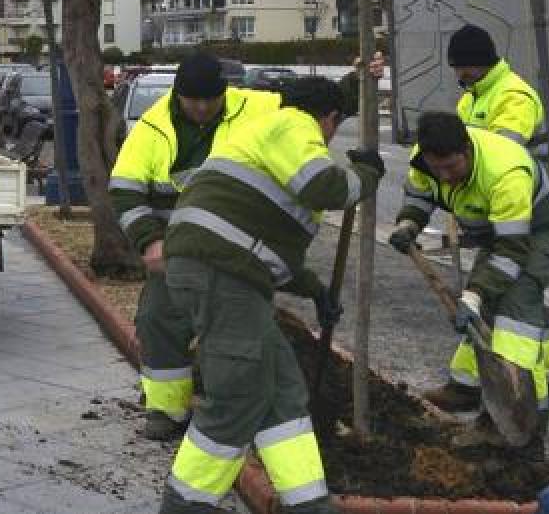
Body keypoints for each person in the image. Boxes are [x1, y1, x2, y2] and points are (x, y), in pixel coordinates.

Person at [157, 76, 383, 514]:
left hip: (218, 271)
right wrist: (367, 174)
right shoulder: (295, 125)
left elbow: (256, 240)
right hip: (222, 277)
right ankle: (186, 504)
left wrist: (315, 290)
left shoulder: (262, 132)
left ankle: (309, 504)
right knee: (237, 395)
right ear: (329, 119)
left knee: (282, 393)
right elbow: (326, 187)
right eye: (334, 128)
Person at [110, 51, 281, 440]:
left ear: (225, 92)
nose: (203, 108)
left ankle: (239, 412)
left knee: (240, 330)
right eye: (194, 100)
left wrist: (360, 79)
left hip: (241, 249)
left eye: (211, 99)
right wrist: (150, 242)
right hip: (177, 252)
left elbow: (314, 107)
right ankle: (168, 410)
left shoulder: (257, 108)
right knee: (158, 320)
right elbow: (124, 191)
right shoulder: (152, 127)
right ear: (177, 95)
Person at [387, 112, 549, 450]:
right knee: (482, 304)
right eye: (438, 169)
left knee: (515, 312)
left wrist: (475, 294)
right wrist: (408, 225)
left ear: (468, 151)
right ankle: (466, 388)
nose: (445, 178)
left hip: (540, 226)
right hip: (498, 227)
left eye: (452, 168)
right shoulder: (426, 157)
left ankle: (519, 424)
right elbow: (420, 197)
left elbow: (512, 252)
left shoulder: (506, 174)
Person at [434, 24, 549, 410]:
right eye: (456, 68)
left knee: (510, 301)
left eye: (465, 68)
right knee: (495, 298)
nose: (459, 75)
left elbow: (501, 157)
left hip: (527, 210)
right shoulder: (470, 100)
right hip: (497, 211)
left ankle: (524, 401)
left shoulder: (515, 96)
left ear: (483, 62)